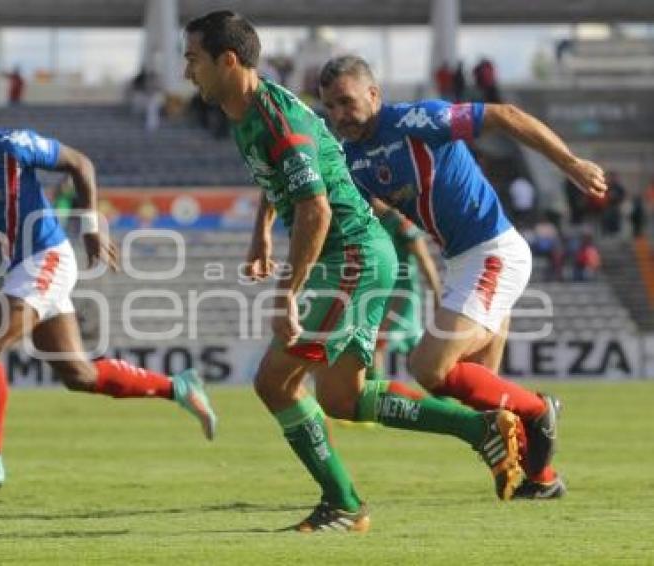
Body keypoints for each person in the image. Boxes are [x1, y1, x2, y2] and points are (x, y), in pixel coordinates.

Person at [183, 11, 523, 533]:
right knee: (343, 398)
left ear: (228, 61)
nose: (188, 71)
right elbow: (277, 179)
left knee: (275, 382)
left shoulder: (275, 118)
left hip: (351, 256)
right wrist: (260, 234)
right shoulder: (248, 110)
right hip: (351, 255)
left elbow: (316, 209)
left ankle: (343, 503)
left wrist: (287, 294)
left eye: (193, 59)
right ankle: (479, 430)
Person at [319, 55, 607, 499]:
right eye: (330, 108)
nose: (339, 115)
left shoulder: (415, 119)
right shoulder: (353, 159)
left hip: (493, 253)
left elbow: (504, 115)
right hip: (463, 264)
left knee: (427, 366)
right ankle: (541, 479)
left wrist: (571, 164)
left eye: (346, 101)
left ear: (374, 94)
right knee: (484, 396)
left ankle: (540, 410)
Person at [0, 84, 217, 490]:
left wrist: (91, 226)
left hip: (47, 256)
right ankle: (178, 387)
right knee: (78, 374)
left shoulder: (11, 145)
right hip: (18, 265)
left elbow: (81, 163)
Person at [373, 214, 441, 379]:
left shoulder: (401, 223)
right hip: (380, 296)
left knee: (376, 345)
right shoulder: (370, 219)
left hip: (401, 297)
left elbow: (424, 259)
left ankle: (373, 397)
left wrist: (437, 296)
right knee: (413, 356)